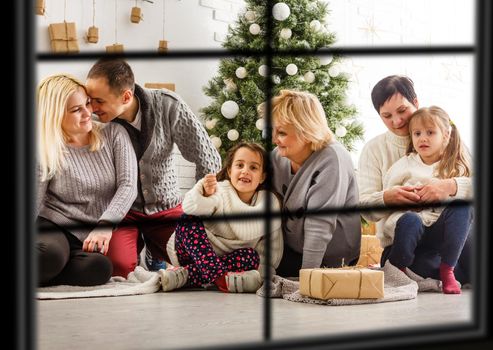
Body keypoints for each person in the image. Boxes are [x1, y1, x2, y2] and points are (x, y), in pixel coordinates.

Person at [85, 58, 222, 277]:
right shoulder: (95, 120)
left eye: (99, 101)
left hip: (165, 208)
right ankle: (141, 247)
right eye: (90, 100)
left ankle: (154, 251)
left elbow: (207, 157)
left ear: (126, 96)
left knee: (196, 262)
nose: (92, 107)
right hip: (124, 212)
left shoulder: (168, 105)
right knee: (118, 269)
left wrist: (199, 204)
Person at [358, 75, 473, 284]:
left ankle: (450, 270)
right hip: (405, 240)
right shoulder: (375, 150)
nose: (397, 121)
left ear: (416, 102)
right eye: (387, 116)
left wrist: (451, 186)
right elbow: (364, 208)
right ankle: (446, 273)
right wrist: (387, 198)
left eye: (402, 110)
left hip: (446, 235)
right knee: (422, 263)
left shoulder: (448, 141)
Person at [36, 74, 137, 286]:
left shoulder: (114, 134)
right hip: (54, 226)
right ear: (54, 115)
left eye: (87, 104)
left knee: (100, 268)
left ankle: (48, 273)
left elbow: (128, 186)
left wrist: (105, 226)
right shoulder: (44, 148)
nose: (88, 113)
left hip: (90, 234)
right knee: (49, 256)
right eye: (76, 110)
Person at [159, 142, 283, 293]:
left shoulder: (268, 205)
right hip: (193, 252)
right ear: (230, 171)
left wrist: (261, 274)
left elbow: (271, 251)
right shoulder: (220, 191)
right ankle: (220, 278)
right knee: (188, 219)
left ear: (262, 177)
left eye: (253, 167)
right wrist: (204, 194)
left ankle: (186, 275)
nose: (245, 171)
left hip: (229, 262)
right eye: (240, 165)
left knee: (251, 257)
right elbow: (190, 207)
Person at [269, 90, 361, 277]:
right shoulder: (277, 157)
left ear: (305, 131)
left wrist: (308, 278)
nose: (274, 139)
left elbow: (319, 224)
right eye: (273, 130)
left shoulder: (332, 158)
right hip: (293, 247)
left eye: (282, 133)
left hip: (331, 256)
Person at [382, 106, 472, 294]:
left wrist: (448, 190)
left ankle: (448, 270)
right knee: (410, 220)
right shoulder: (405, 165)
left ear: (446, 135)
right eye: (417, 133)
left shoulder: (457, 166)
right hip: (411, 231)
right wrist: (404, 199)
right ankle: (398, 270)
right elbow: (388, 200)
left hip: (439, 234)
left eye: (430, 132)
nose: (423, 138)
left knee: (462, 207)